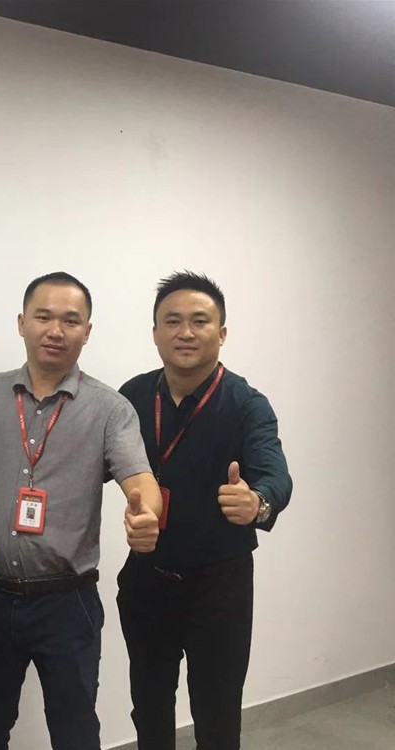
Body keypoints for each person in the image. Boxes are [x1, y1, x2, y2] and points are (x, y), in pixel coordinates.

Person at [0, 271, 162, 750]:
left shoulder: (110, 409)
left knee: (75, 733)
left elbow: (141, 480)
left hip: (67, 603)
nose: (56, 330)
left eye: (71, 320)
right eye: (43, 317)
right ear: (22, 323)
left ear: (87, 331)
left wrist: (146, 515)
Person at [117, 271, 292, 750]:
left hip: (219, 589)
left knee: (217, 715)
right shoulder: (131, 397)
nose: (186, 332)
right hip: (147, 580)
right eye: (172, 321)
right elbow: (94, 465)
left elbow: (276, 474)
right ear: (155, 333)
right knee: (148, 707)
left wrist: (257, 502)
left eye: (200, 321)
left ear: (222, 332)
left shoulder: (246, 404)